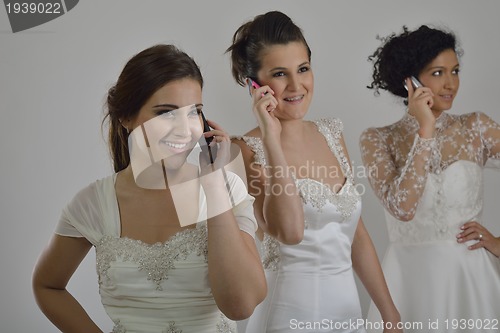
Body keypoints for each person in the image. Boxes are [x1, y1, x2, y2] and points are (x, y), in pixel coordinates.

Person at [32, 44, 266, 333]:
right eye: (166, 113)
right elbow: (47, 286)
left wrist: (214, 185)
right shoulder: (93, 203)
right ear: (126, 118)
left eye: (194, 112)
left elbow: (240, 306)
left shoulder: (227, 188)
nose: (184, 129)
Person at [226, 11, 401, 333]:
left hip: (349, 315)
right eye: (280, 74)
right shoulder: (244, 151)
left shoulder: (331, 133)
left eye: (303, 69)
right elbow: (286, 232)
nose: (296, 85)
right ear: (254, 84)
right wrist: (271, 138)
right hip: (289, 317)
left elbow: (357, 236)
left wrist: (389, 313)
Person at [360, 25, 500, 332]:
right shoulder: (378, 139)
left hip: (471, 278)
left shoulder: (476, 127)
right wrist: (425, 131)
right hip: (408, 280)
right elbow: (403, 208)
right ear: (409, 81)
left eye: (455, 71)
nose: (450, 83)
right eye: (437, 73)